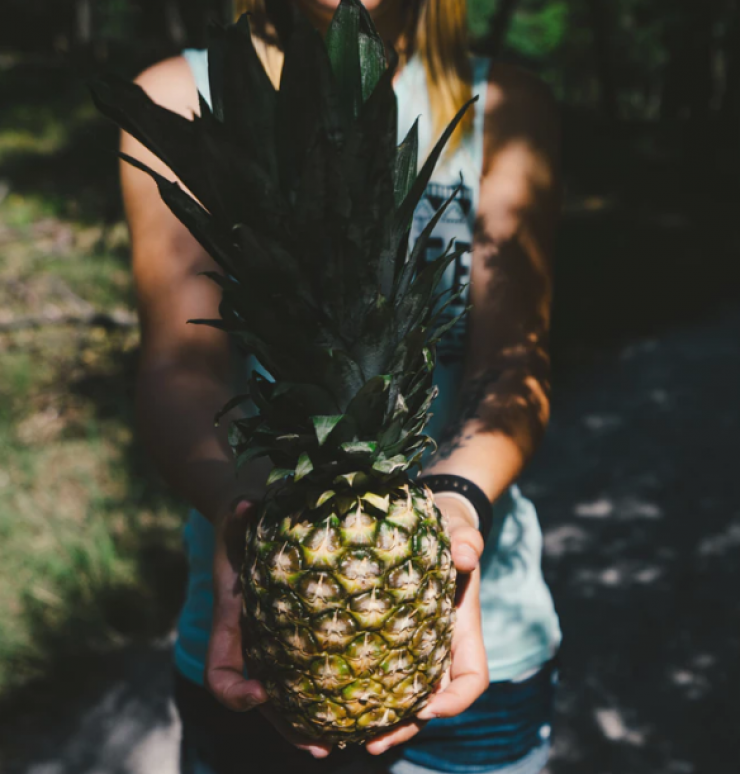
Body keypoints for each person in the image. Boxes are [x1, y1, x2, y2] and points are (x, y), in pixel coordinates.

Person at [120, 0, 562, 772]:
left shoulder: (503, 106)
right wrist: (239, 505)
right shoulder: (177, 94)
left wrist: (453, 499)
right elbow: (176, 366)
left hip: (481, 638)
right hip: (258, 620)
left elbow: (516, 360)